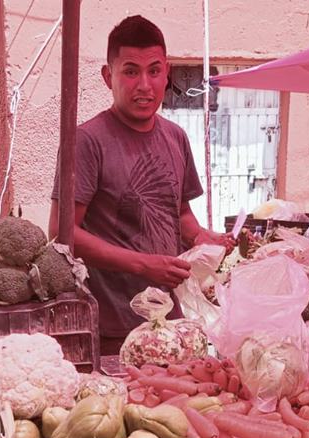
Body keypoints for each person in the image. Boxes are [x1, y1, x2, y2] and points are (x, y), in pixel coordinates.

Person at [50, 15, 232, 355]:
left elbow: (180, 213)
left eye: (154, 71)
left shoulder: (176, 137)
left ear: (167, 73)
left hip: (172, 324)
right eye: (131, 71)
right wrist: (144, 265)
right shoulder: (86, 141)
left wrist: (204, 239)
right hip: (112, 330)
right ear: (109, 77)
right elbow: (64, 234)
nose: (145, 85)